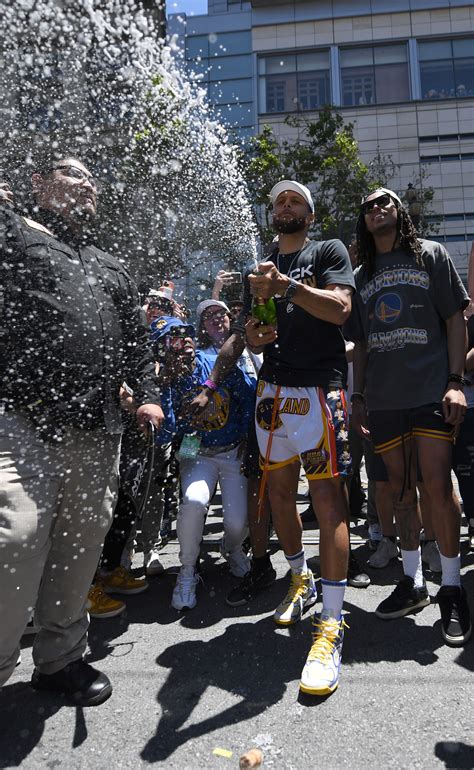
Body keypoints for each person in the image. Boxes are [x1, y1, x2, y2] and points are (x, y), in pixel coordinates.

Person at [0, 153, 163, 705]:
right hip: (22, 420)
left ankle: (60, 660)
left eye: (93, 177)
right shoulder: (15, 235)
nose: (88, 182)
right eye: (74, 173)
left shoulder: (110, 264)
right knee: (16, 537)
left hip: (97, 429)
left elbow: (136, 345)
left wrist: (147, 396)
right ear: (39, 181)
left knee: (81, 544)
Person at [244, 180, 355, 696]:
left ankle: (331, 625)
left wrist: (288, 287)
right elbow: (255, 330)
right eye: (279, 202)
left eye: (295, 201)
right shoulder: (262, 264)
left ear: (309, 214)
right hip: (272, 391)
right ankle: (299, 575)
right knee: (281, 495)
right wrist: (251, 335)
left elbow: (339, 310)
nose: (286, 207)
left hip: (317, 391)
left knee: (328, 500)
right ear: (273, 216)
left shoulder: (327, 251)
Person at [348, 187, 471, 646]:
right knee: (398, 492)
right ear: (363, 219)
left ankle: (453, 588)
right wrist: (357, 395)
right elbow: (359, 343)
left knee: (437, 486)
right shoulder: (361, 275)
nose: (376, 209)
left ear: (399, 212)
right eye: (368, 206)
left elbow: (456, 319)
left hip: (430, 392)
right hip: (382, 400)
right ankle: (413, 581)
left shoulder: (431, 256)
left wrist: (455, 382)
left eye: (385, 202)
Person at [170, 301, 256, 611]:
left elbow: (249, 400)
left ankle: (230, 548)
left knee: (237, 523)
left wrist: (249, 439)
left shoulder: (236, 359)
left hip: (233, 450)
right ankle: (188, 570)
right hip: (199, 453)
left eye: (221, 313)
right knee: (193, 502)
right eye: (208, 316)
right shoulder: (195, 359)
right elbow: (177, 402)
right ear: (201, 326)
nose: (216, 319)